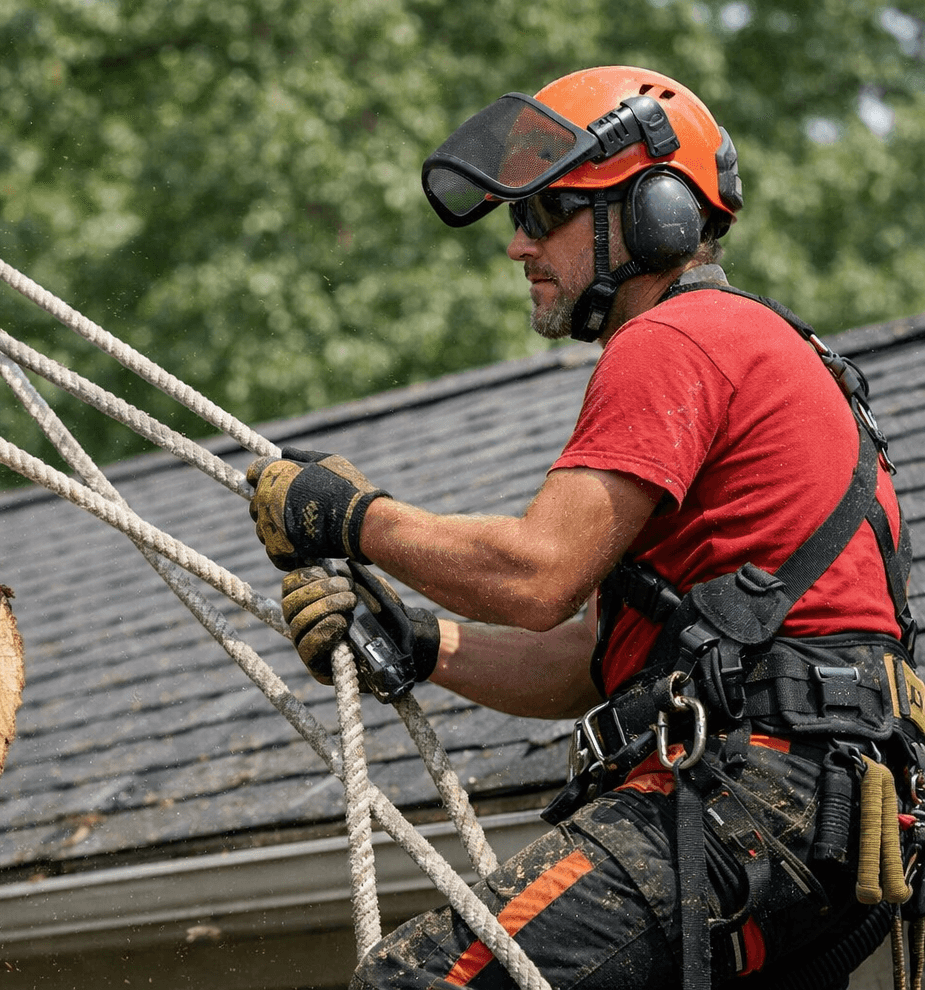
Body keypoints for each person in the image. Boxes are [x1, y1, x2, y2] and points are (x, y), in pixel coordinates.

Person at [245, 65, 919, 990]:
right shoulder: (766, 355)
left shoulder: (677, 341)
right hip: (819, 823)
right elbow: (593, 658)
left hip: (755, 791)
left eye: (547, 211)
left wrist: (353, 519)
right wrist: (423, 642)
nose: (518, 247)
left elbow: (537, 575)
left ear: (656, 216)